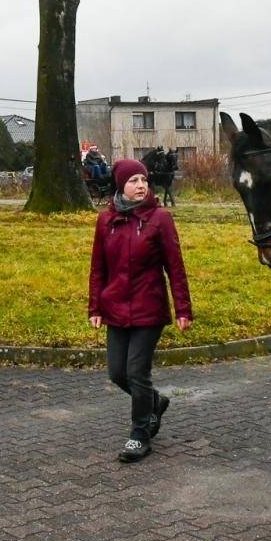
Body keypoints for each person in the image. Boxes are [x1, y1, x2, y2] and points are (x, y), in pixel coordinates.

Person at [88, 158, 193, 463]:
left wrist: (183, 309)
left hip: (149, 307)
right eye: (133, 181)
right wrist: (95, 306)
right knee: (117, 373)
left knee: (136, 372)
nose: (141, 186)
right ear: (121, 185)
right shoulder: (105, 220)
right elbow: (98, 268)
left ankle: (139, 433)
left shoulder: (160, 218)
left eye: (144, 181)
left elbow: (175, 267)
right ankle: (155, 402)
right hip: (115, 307)